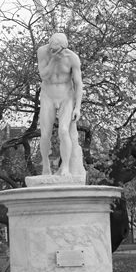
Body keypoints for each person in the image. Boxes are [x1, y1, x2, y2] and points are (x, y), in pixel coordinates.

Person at [37, 31, 83, 176]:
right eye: (52, 48)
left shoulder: (72, 58)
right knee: (45, 134)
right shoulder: (43, 52)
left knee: (63, 131)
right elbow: (43, 75)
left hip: (66, 97)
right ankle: (46, 166)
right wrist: (53, 60)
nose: (54, 52)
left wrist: (77, 107)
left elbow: (78, 84)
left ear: (64, 48)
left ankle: (65, 167)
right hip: (48, 96)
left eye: (57, 50)